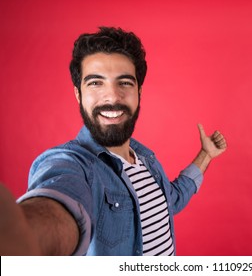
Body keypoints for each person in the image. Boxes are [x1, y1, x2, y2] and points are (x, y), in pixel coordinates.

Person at [0, 27, 227, 256]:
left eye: (125, 83)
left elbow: (172, 199)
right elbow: (60, 204)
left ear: (139, 91)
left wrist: (206, 154)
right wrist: (24, 236)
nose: (112, 96)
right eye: (96, 83)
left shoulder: (146, 160)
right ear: (78, 94)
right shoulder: (74, 164)